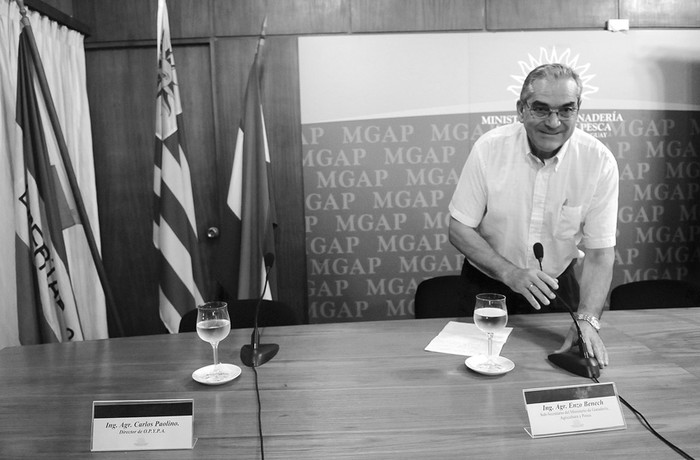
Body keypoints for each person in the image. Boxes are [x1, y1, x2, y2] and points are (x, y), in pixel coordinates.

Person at [448, 63, 618, 368]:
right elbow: (459, 228)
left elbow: (600, 254)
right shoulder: (489, 149)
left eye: (566, 110)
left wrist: (588, 320)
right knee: (475, 381)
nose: (553, 122)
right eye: (541, 109)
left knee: (548, 379)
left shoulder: (599, 161)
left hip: (555, 292)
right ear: (521, 109)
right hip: (486, 288)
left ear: (578, 110)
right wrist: (510, 273)